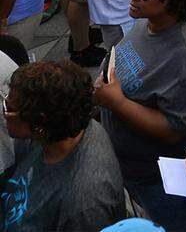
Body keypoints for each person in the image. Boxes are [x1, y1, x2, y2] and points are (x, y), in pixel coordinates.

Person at [97, 0, 186, 232]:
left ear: (172, 0)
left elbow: (176, 128)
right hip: (133, 171)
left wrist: (117, 103)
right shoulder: (148, 21)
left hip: (164, 184)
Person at [0, 60, 126, 231]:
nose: (4, 114)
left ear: (39, 122)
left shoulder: (83, 203)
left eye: (8, 107)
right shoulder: (70, 123)